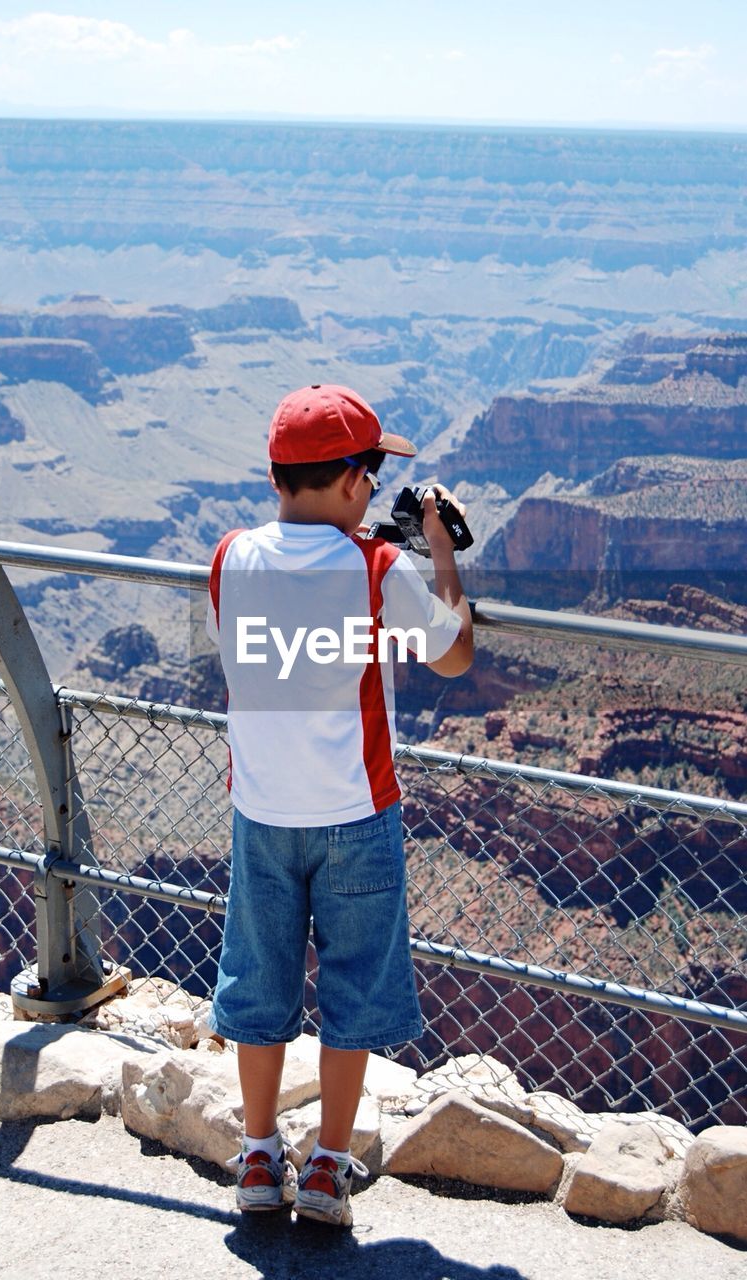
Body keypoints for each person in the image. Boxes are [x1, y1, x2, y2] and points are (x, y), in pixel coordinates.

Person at [205, 384, 473, 1226]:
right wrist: (437, 549)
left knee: (260, 981)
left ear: (280, 475)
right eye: (370, 472)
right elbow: (453, 655)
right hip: (356, 815)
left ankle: (256, 1156)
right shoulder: (376, 569)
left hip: (260, 811)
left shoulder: (229, 557)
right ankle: (325, 1168)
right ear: (356, 481)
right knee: (351, 989)